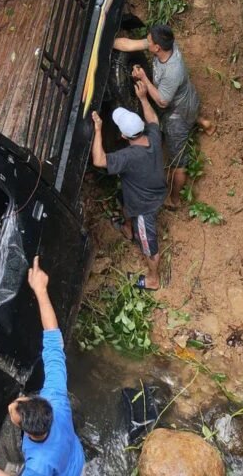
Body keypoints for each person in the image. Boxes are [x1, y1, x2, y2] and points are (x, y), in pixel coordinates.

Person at [0, 257, 84, 476]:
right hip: (73, 456)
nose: (12, 404)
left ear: (30, 434)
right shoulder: (56, 399)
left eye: (14, 411)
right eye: (18, 402)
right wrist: (41, 291)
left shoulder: (39, 464)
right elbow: (53, 342)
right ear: (41, 402)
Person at [114, 24, 214, 209]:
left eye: (149, 41)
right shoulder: (166, 45)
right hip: (187, 98)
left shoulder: (172, 71)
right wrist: (107, 44)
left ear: (157, 48)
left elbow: (162, 102)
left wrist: (143, 78)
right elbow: (128, 45)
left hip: (177, 115)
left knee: (178, 163)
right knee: (189, 113)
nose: (147, 41)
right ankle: (205, 124)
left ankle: (174, 200)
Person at [91, 81, 165, 290]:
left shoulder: (128, 157)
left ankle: (153, 280)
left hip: (145, 207)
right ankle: (128, 229)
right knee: (125, 201)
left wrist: (98, 129)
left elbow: (99, 160)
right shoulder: (153, 137)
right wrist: (142, 99)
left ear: (123, 136)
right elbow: (154, 120)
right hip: (153, 191)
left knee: (149, 246)